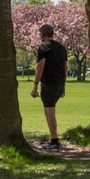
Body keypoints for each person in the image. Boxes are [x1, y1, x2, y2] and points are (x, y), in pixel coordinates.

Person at [31, 23, 66, 151]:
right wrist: (63, 84)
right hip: (59, 83)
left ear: (44, 34)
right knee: (48, 110)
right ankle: (53, 139)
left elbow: (40, 66)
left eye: (40, 33)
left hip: (49, 83)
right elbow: (65, 67)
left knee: (49, 111)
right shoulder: (61, 48)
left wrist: (35, 85)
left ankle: (54, 141)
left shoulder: (44, 47)